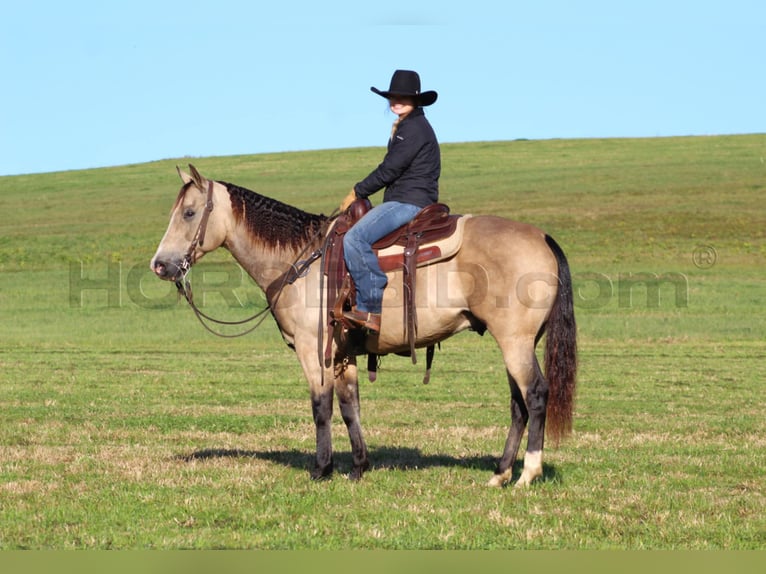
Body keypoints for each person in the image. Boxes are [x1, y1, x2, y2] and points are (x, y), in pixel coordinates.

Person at [339, 69, 440, 333]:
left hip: (409, 202)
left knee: (354, 238)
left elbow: (390, 169)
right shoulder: (409, 126)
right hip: (408, 198)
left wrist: (357, 191)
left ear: (416, 100)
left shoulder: (414, 128)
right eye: (393, 96)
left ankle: (371, 306)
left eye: (403, 97)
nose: (397, 101)